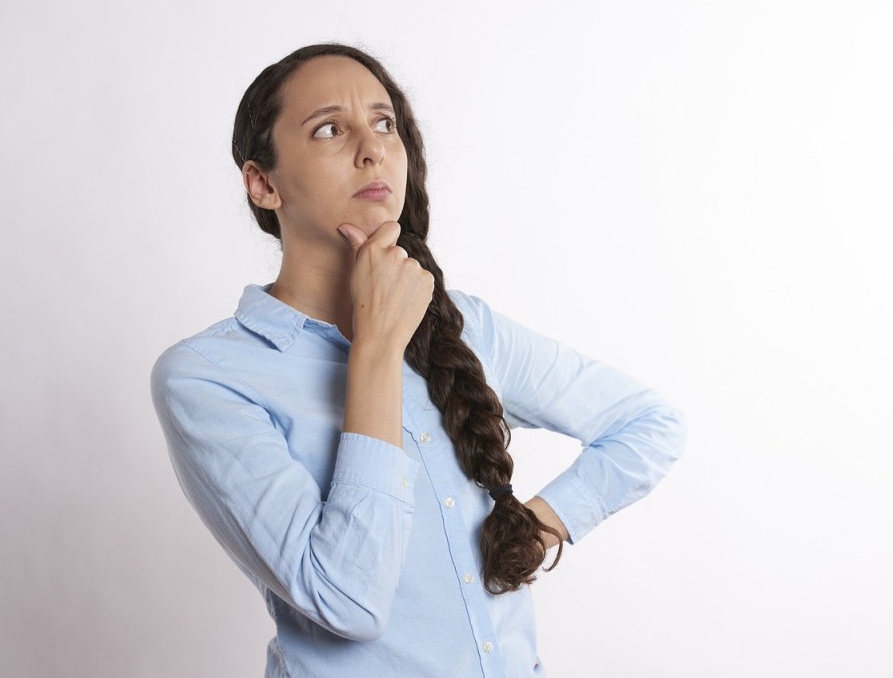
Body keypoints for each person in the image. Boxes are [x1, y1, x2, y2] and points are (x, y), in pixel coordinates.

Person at [151, 43, 686, 678]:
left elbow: (648, 424)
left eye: (385, 124)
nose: (372, 148)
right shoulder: (209, 378)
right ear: (263, 183)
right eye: (329, 129)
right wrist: (376, 346)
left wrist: (533, 528)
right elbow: (347, 600)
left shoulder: (464, 326)